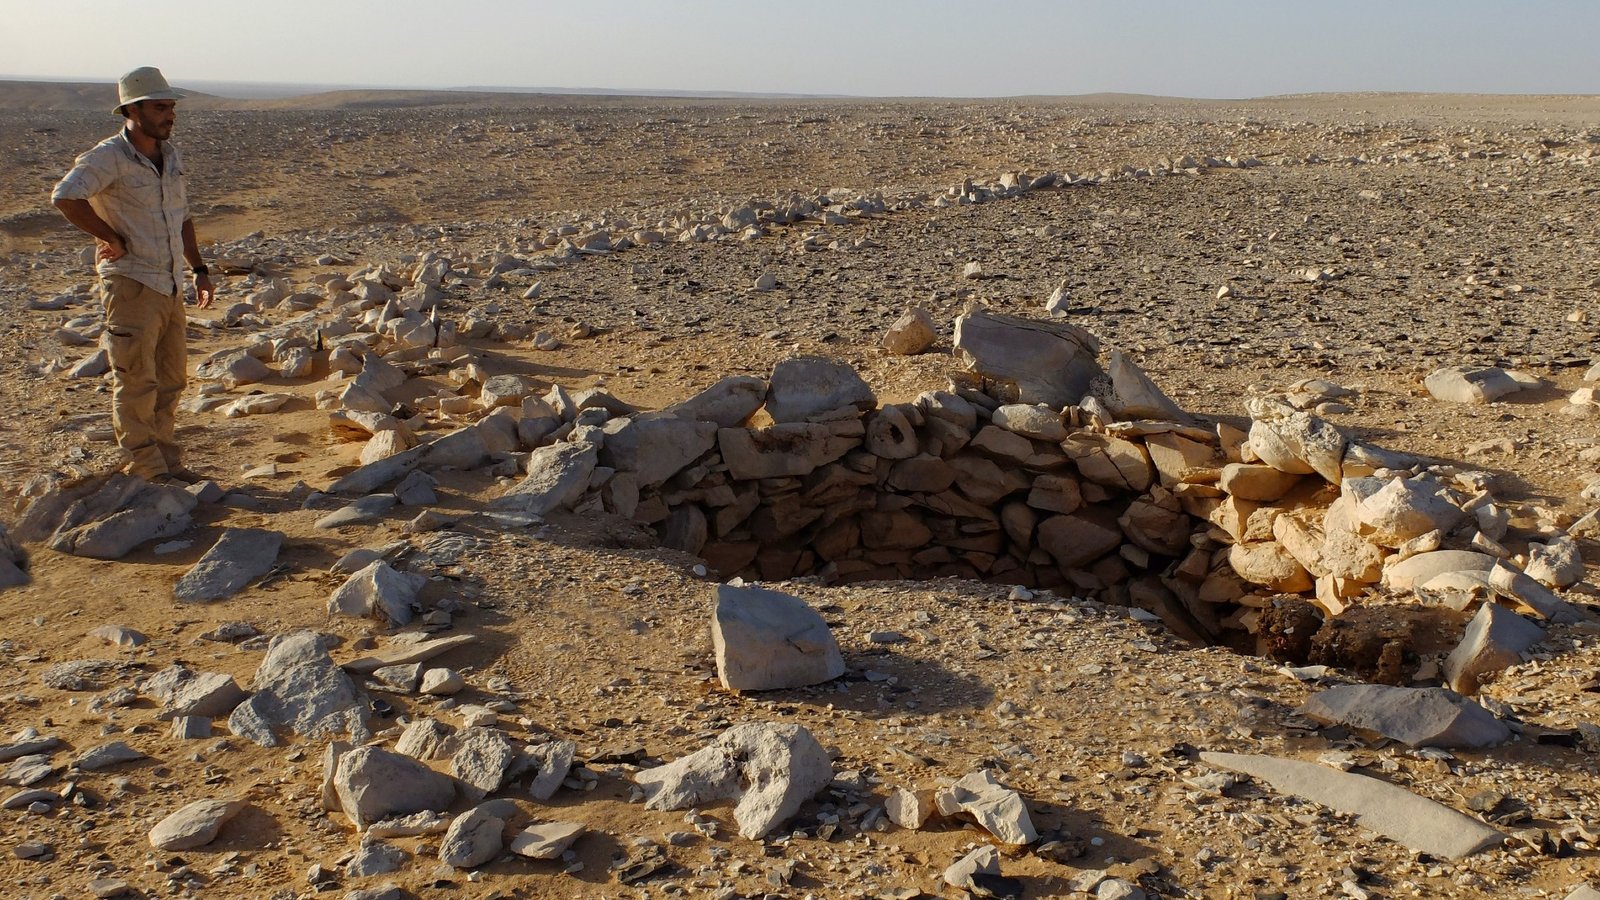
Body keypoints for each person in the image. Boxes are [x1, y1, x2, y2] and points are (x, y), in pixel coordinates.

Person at [51, 66, 214, 483]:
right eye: (160, 107)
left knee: (171, 379)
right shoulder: (108, 157)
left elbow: (182, 217)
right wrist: (109, 236)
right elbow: (66, 196)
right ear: (131, 109)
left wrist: (198, 269)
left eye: (171, 107)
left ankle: (167, 462)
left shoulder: (170, 155)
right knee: (136, 380)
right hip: (132, 284)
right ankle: (145, 468)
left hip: (170, 282)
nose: (169, 115)